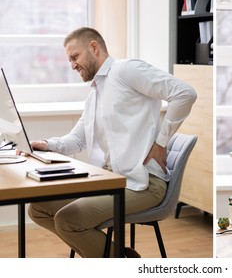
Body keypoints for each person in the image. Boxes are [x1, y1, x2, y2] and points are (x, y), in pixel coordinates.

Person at [25, 27, 197, 258]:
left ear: (94, 47)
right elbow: (77, 140)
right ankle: (119, 256)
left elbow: (185, 93)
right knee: (38, 209)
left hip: (144, 183)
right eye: (69, 60)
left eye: (75, 57)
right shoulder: (95, 93)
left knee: (69, 219)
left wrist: (161, 142)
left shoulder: (126, 70)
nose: (73, 65)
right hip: (111, 181)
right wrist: (45, 144)